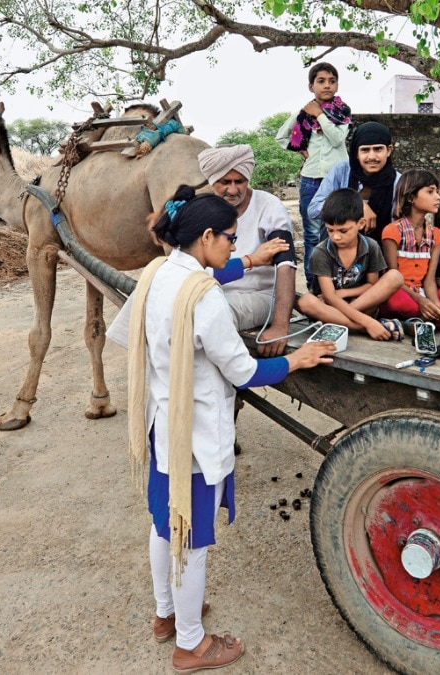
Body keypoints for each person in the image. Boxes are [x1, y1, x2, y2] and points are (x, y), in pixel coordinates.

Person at [106, 186, 335, 673]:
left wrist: (252, 260)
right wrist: (298, 358)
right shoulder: (204, 297)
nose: (234, 246)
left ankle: (166, 614)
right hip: (194, 433)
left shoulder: (156, 274)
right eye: (230, 238)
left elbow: (130, 331)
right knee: (191, 535)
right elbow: (244, 371)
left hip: (162, 425)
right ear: (206, 236)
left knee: (164, 524)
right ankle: (191, 644)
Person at [197, 145, 296, 356]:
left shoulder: (269, 206)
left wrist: (280, 325)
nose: (233, 190)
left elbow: (286, 265)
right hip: (209, 289)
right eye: (225, 182)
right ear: (212, 181)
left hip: (257, 295)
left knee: (208, 312)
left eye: (239, 181)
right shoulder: (203, 209)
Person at [275, 62, 351, 288]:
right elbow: (281, 137)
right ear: (311, 86)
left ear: (337, 85)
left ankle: (336, 283)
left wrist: (320, 115)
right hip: (311, 180)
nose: (327, 85)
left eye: (331, 81)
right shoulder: (302, 113)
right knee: (311, 234)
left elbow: (337, 139)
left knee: (337, 232)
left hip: (337, 180)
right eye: (321, 81)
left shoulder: (342, 111)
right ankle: (313, 285)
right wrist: (302, 150)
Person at [297, 188, 404, 338]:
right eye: (330, 230)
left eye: (343, 231)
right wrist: (368, 323)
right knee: (306, 301)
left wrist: (344, 293)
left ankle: (340, 323)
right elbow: (329, 297)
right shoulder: (321, 252)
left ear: (361, 224)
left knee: (395, 276)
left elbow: (371, 285)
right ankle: (363, 328)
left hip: (359, 304)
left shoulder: (371, 246)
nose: (336, 237)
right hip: (329, 307)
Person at [380, 170, 440, 321]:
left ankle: (434, 315)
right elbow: (391, 279)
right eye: (430, 192)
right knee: (398, 301)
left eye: (437, 192)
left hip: (423, 293)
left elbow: (429, 280)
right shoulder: (392, 231)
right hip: (400, 293)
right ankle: (431, 318)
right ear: (411, 197)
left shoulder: (436, 235)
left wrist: (435, 303)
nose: (438, 197)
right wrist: (422, 301)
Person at [308, 121, 401, 241]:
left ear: (388, 150)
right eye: (365, 150)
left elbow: (399, 225)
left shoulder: (398, 182)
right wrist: (355, 204)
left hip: (380, 248)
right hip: (340, 244)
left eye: (378, 149)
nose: (372, 156)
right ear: (356, 153)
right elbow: (313, 209)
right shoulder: (341, 171)